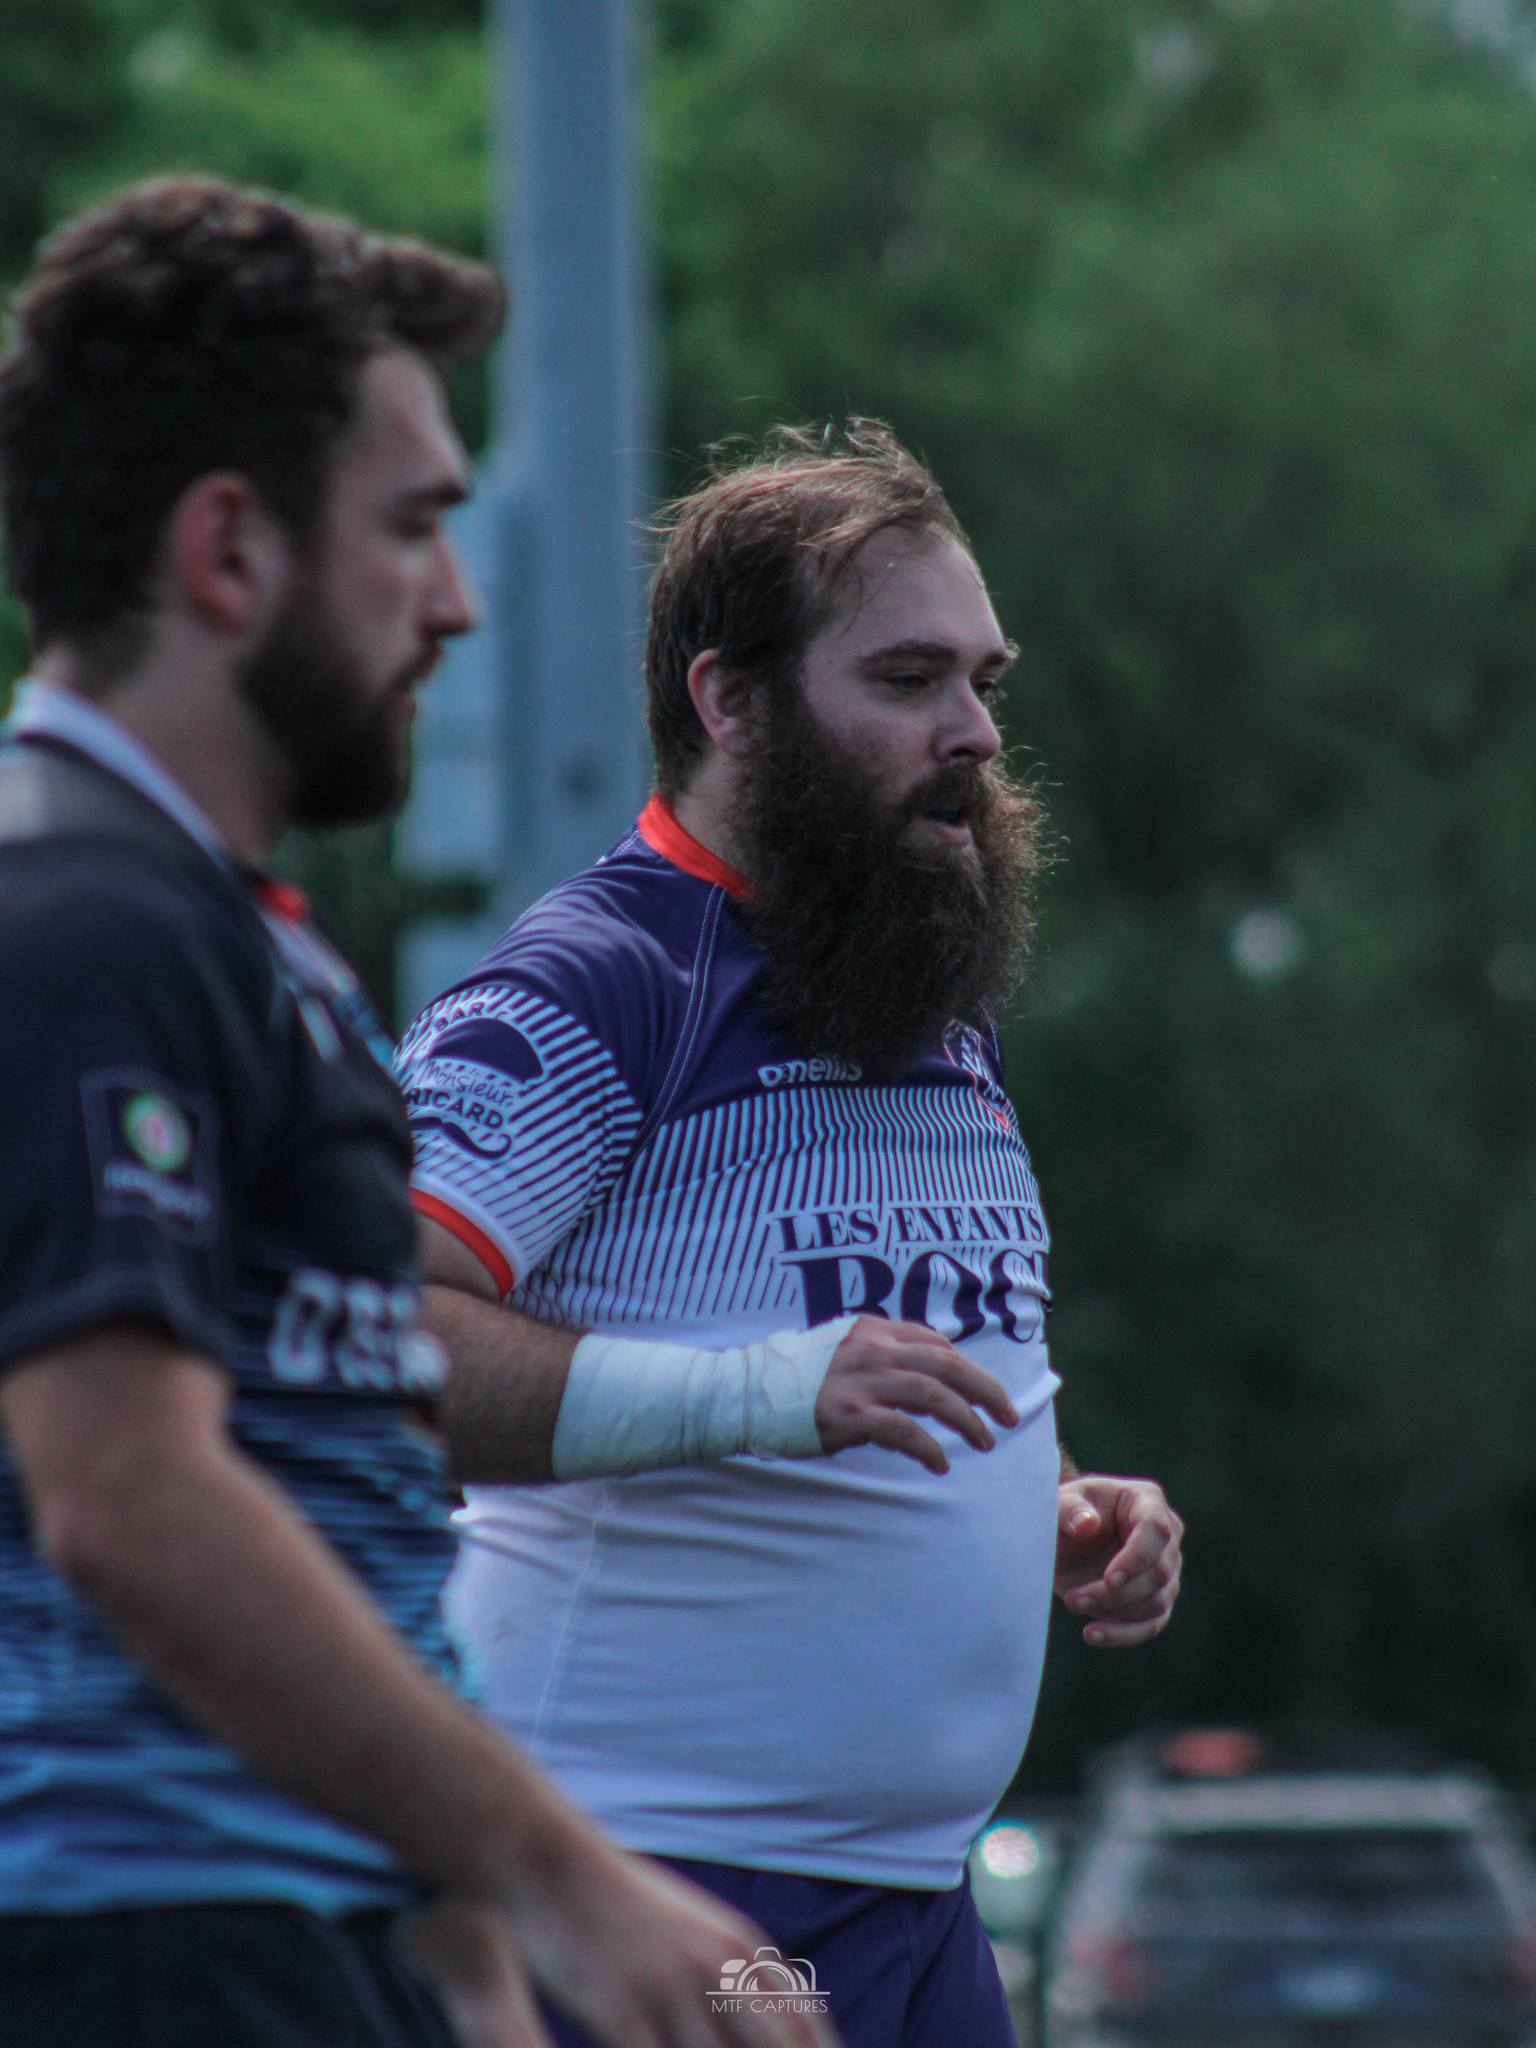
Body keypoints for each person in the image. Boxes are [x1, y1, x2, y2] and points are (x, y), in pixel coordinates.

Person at [0, 179, 832, 2048]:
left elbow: (357, 1512)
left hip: (325, 1954)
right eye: (413, 528)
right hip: (141, 1948)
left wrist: (475, 1978)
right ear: (230, 551)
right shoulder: (73, 920)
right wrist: (570, 1875)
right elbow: (126, 1502)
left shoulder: (242, 944)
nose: (456, 602)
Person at [399, 421, 1186, 2048]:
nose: (971, 731)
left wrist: (1046, 1499)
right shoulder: (599, 986)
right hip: (661, 1885)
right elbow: (348, 1337)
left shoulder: (914, 989)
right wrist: (760, 1394)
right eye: (907, 681)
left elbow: (868, 1363)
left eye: (983, 679)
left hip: (915, 1905)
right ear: (727, 700)